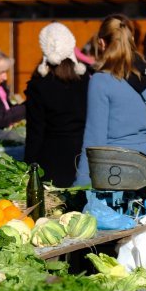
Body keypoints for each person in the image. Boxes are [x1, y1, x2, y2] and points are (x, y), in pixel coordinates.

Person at [74, 14, 146, 186]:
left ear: (101, 43)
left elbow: (94, 140)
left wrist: (81, 185)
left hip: (113, 171)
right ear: (131, 39)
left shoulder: (101, 81)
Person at [25, 22, 90, 187]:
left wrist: (28, 166)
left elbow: (35, 131)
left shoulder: (39, 84)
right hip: (82, 158)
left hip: (50, 159)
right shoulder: (86, 81)